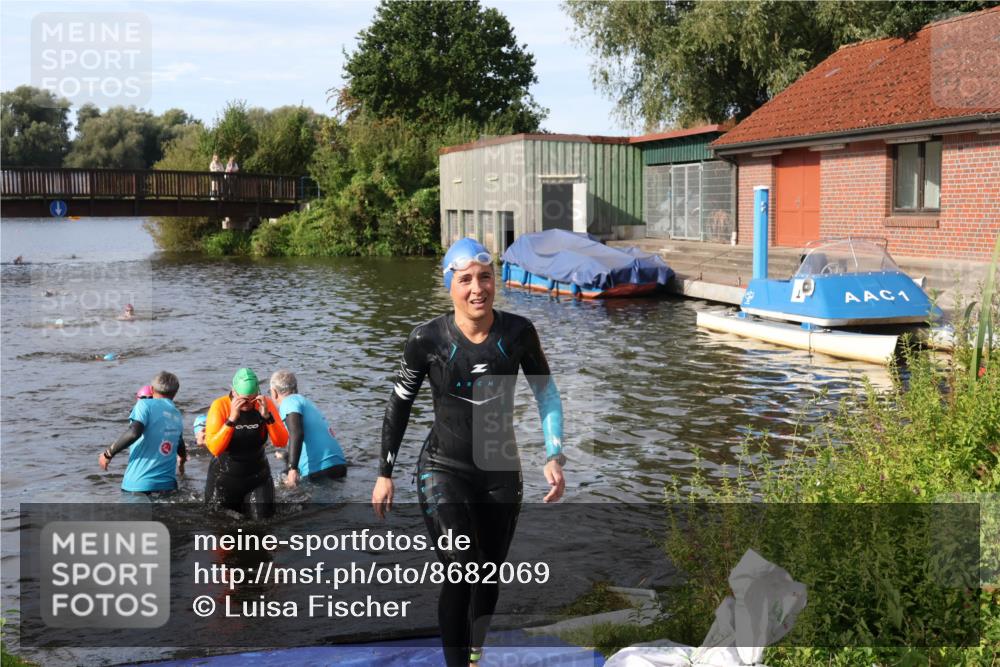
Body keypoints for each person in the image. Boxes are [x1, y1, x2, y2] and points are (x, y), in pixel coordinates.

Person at [371, 238, 566, 667]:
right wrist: (385, 471)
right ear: (450, 286)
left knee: (488, 573)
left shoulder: (517, 333)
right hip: (444, 464)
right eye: (465, 280)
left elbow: (546, 393)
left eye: (485, 277)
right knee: (460, 565)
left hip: (498, 460)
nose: (477, 288)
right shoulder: (427, 338)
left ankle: (475, 653)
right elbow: (399, 401)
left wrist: (554, 454)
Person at [204, 368, 288, 519]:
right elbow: (215, 449)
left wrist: (267, 417)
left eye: (252, 399)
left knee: (263, 525)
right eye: (243, 399)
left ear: (258, 393)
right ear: (234, 392)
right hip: (224, 478)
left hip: (257, 477)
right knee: (221, 527)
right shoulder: (220, 406)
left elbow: (281, 442)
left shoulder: (265, 404)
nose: (248, 404)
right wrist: (231, 420)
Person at [98, 371, 187, 495]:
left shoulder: (144, 404)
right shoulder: (177, 414)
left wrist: (108, 454)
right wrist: (182, 462)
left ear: (151, 389)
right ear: (175, 393)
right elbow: (180, 444)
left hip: (139, 485)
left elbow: (134, 432)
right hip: (168, 486)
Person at [268, 370, 346, 488]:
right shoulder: (305, 402)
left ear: (274, 392)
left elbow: (297, 433)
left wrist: (292, 469)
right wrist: (287, 457)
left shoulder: (288, 402)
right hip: (339, 465)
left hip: (319, 471)